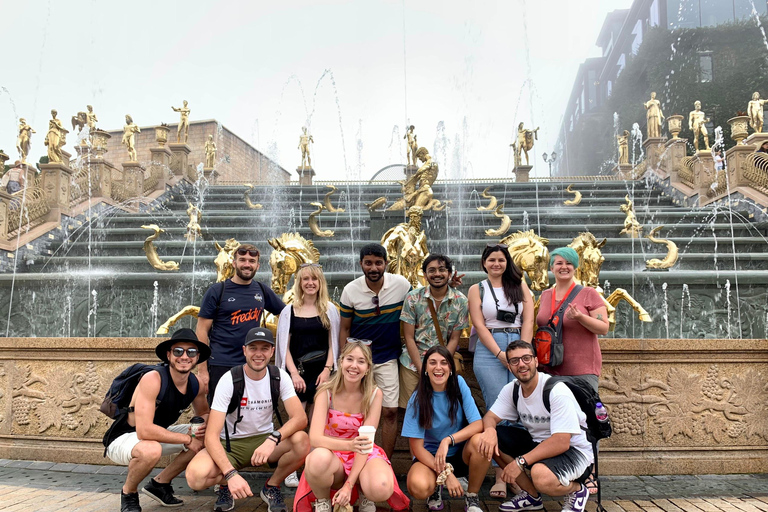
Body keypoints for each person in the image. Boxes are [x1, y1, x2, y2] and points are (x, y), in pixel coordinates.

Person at [185, 327, 310, 512]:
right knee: (195, 477)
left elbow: (300, 418)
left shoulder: (279, 376)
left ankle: (271, 487)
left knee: (302, 441)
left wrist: (273, 438)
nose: (258, 354)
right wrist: (230, 474)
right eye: (253, 348)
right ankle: (226, 486)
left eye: (264, 348)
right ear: (244, 350)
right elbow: (211, 436)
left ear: (272, 352)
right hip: (230, 446)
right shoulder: (229, 380)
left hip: (265, 443)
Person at [477, 340, 593, 512]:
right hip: (540, 446)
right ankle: (532, 496)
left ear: (536, 361)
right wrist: (489, 431)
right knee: (491, 439)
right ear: (509, 367)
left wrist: (520, 462)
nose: (521, 364)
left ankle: (577, 491)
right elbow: (490, 417)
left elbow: (562, 442)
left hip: (575, 452)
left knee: (541, 476)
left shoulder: (556, 391)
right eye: (515, 361)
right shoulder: (512, 390)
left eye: (526, 358)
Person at [102, 328, 211, 512]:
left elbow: (204, 413)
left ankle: (160, 484)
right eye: (178, 351)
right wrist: (188, 439)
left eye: (191, 352)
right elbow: (144, 431)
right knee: (151, 449)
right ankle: (128, 493)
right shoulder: (153, 378)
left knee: (207, 434)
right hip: (125, 437)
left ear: (197, 357)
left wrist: (199, 427)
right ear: (169, 355)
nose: (184, 356)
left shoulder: (196, 383)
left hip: (155, 437)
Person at [295, 342, 410, 512]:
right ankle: (323, 501)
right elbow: (315, 438)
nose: (354, 366)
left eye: (361, 361)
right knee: (315, 459)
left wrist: (349, 485)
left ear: (368, 368)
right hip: (332, 454)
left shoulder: (374, 394)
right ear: (341, 362)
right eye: (350, 359)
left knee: (382, 486)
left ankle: (364, 492)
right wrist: (349, 445)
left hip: (364, 452)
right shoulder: (326, 392)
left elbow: (365, 444)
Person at [537, 247, 608, 495]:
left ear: (575, 267)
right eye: (558, 263)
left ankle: (591, 475)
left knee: (587, 423)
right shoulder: (545, 295)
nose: (563, 267)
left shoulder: (588, 294)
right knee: (559, 424)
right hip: (551, 370)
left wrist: (581, 318)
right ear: (551, 267)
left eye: (568, 263)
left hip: (582, 370)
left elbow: (604, 327)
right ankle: (564, 470)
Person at [467, 242, 534, 498]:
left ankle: (516, 473)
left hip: (518, 344)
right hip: (489, 350)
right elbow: (479, 324)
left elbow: (528, 319)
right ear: (484, 263)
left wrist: (522, 352)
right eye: (492, 260)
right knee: (497, 410)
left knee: (519, 409)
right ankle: (500, 475)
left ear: (508, 262)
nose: (497, 264)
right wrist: (499, 354)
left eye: (501, 260)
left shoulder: (519, 285)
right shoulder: (477, 289)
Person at [339, 243, 411, 458]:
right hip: (358, 361)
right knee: (354, 412)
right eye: (368, 263)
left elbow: (420, 301)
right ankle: (350, 460)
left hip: (388, 357)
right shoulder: (350, 290)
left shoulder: (401, 285)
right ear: (361, 264)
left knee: (390, 411)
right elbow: (344, 328)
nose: (373, 268)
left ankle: (384, 463)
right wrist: (343, 361)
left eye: (378, 263)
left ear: (386, 264)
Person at [196, 243, 286, 404]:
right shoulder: (218, 290)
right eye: (242, 260)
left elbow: (286, 315)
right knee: (219, 413)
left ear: (257, 265)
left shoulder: (261, 290)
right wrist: (202, 370)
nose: (247, 264)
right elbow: (201, 331)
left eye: (252, 261)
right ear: (234, 263)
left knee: (250, 411)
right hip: (220, 363)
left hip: (252, 363)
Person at [402, 346, 486, 512]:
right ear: (425, 368)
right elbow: (417, 448)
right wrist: (446, 473)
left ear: (451, 368)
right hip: (430, 458)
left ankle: (472, 497)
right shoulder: (417, 398)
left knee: (482, 442)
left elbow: (478, 424)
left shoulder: (459, 385)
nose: (438, 368)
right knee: (417, 486)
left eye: (444, 363)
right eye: (432, 363)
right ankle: (434, 490)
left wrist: (448, 440)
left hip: (459, 453)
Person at [399, 254, 469, 409]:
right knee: (412, 411)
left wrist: (440, 364)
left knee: (439, 410)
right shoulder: (413, 298)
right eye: (432, 270)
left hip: (441, 367)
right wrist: (421, 368)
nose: (437, 274)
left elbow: (454, 339)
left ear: (449, 274)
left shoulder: (461, 301)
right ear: (425, 275)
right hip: (412, 364)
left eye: (442, 270)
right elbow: (408, 337)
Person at [276, 263, 340, 409]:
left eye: (314, 279)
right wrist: (293, 374)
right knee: (298, 419)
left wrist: (326, 371)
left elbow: (333, 344)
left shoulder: (329, 310)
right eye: (305, 279)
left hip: (321, 372)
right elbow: (283, 347)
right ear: (299, 283)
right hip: (298, 371)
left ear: (320, 283)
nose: (310, 283)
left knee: (317, 419)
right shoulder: (289, 311)